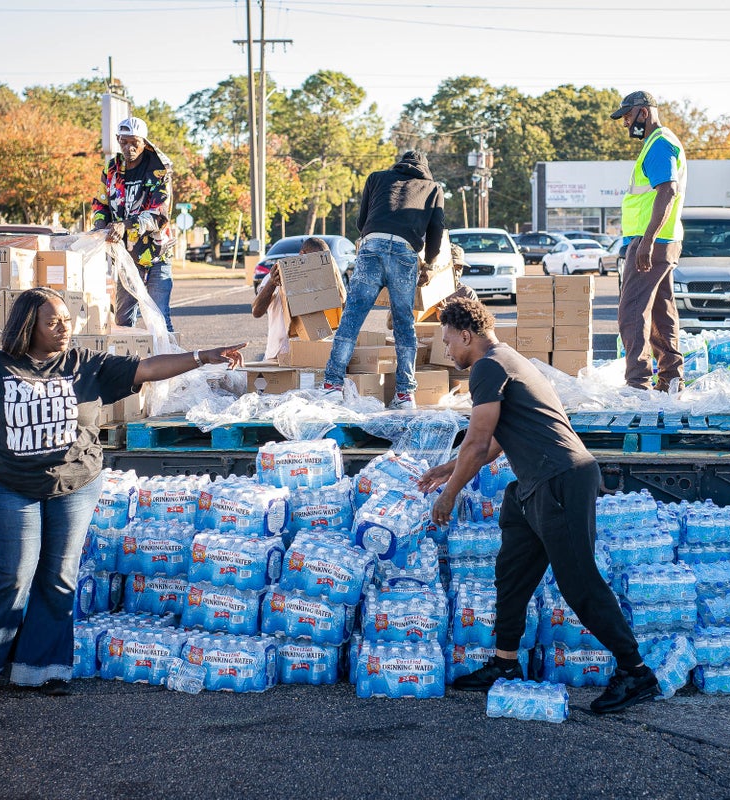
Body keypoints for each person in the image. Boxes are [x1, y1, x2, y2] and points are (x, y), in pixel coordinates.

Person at [0, 287, 244, 700]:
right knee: (14, 573)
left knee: (59, 576)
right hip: (10, 488)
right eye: (52, 321)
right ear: (27, 326)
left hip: (75, 485)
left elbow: (148, 368)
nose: (64, 328)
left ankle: (41, 668)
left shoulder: (86, 365)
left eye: (66, 319)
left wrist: (203, 356)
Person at [417, 297, 659, 714]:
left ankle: (636, 672)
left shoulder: (487, 367)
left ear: (465, 335)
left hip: (560, 480)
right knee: (511, 575)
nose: (447, 350)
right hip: (533, 486)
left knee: (579, 582)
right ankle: (505, 664)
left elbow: (477, 443)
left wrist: (451, 492)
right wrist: (447, 467)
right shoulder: (505, 358)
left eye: (447, 341)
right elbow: (492, 443)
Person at [322, 150, 445, 410]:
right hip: (404, 252)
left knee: (352, 317)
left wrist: (374, 239)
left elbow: (361, 220)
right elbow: (436, 233)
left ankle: (332, 385)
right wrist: (430, 264)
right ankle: (405, 394)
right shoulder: (432, 188)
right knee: (403, 324)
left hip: (371, 245)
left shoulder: (377, 178)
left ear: (399, 163)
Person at [611, 91, 688, 391]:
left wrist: (646, 241)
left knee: (631, 312)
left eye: (628, 117)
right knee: (660, 312)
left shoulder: (659, 144)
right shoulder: (661, 143)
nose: (626, 124)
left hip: (651, 244)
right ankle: (671, 380)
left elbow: (666, 191)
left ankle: (637, 386)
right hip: (663, 241)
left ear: (644, 113)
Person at [93, 116, 177, 332]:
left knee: (159, 320)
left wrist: (125, 225)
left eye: (134, 143)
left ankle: (168, 363)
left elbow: (159, 215)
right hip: (126, 257)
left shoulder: (159, 169)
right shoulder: (112, 169)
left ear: (144, 142)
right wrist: (101, 227)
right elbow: (101, 203)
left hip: (156, 254)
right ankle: (129, 364)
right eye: (124, 142)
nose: (128, 147)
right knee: (122, 320)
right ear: (117, 139)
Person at [251, 237, 331, 362]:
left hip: (312, 354)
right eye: (314, 259)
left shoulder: (322, 280)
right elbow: (257, 311)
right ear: (302, 254)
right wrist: (272, 283)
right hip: (278, 355)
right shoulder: (276, 276)